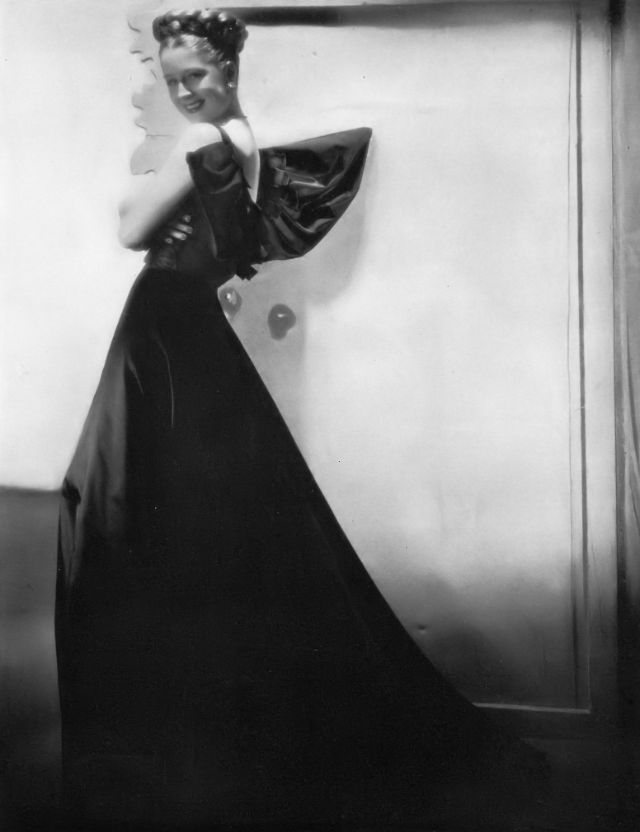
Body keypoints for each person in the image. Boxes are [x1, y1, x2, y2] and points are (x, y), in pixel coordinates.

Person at [55, 8, 548, 830]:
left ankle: (163, 745)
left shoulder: (203, 143)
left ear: (229, 68)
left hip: (163, 332)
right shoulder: (246, 143)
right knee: (183, 519)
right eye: (173, 81)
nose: (184, 92)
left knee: (120, 508)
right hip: (184, 333)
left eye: (196, 75)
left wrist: (153, 190)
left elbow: (129, 227)